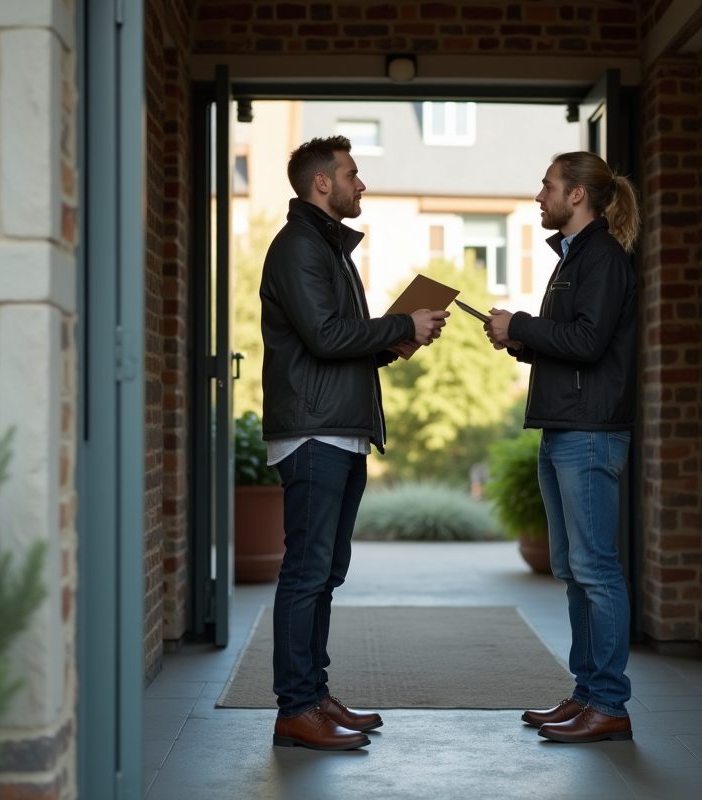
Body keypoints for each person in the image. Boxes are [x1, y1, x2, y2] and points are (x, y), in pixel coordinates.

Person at [260, 136, 448, 750]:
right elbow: (322, 334)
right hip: (314, 434)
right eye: (353, 173)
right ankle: (295, 708)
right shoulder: (298, 247)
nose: (361, 184)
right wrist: (401, 324)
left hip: (339, 430)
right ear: (322, 183)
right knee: (307, 572)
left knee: (326, 571)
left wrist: (393, 343)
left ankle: (313, 694)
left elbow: (339, 341)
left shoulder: (326, 248)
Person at [484, 151, 639, 744]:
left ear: (577, 195)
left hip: (591, 432)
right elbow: (571, 342)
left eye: (547, 185)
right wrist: (518, 340)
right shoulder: (575, 259)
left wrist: (520, 325)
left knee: (597, 571)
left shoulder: (601, 257)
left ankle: (610, 705)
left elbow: (589, 340)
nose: (539, 195)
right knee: (577, 571)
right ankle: (585, 695)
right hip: (565, 426)